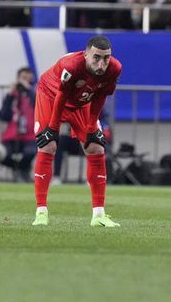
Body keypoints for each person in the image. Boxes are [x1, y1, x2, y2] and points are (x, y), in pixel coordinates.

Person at [32, 35, 123, 227]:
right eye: (96, 57)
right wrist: (53, 129)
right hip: (51, 95)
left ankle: (98, 215)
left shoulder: (114, 68)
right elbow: (61, 95)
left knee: (96, 148)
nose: (101, 63)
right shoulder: (71, 65)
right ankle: (41, 212)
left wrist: (91, 127)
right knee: (48, 145)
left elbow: (99, 97)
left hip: (81, 102)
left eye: (105, 58)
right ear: (86, 55)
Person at [0, 67, 37, 182]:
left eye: (27, 78)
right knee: (2, 155)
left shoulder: (35, 92)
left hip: (30, 135)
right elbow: (4, 116)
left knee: (30, 152)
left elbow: (39, 105)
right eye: (22, 78)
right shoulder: (12, 96)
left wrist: (28, 89)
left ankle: (21, 171)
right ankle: (21, 170)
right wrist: (10, 95)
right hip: (12, 135)